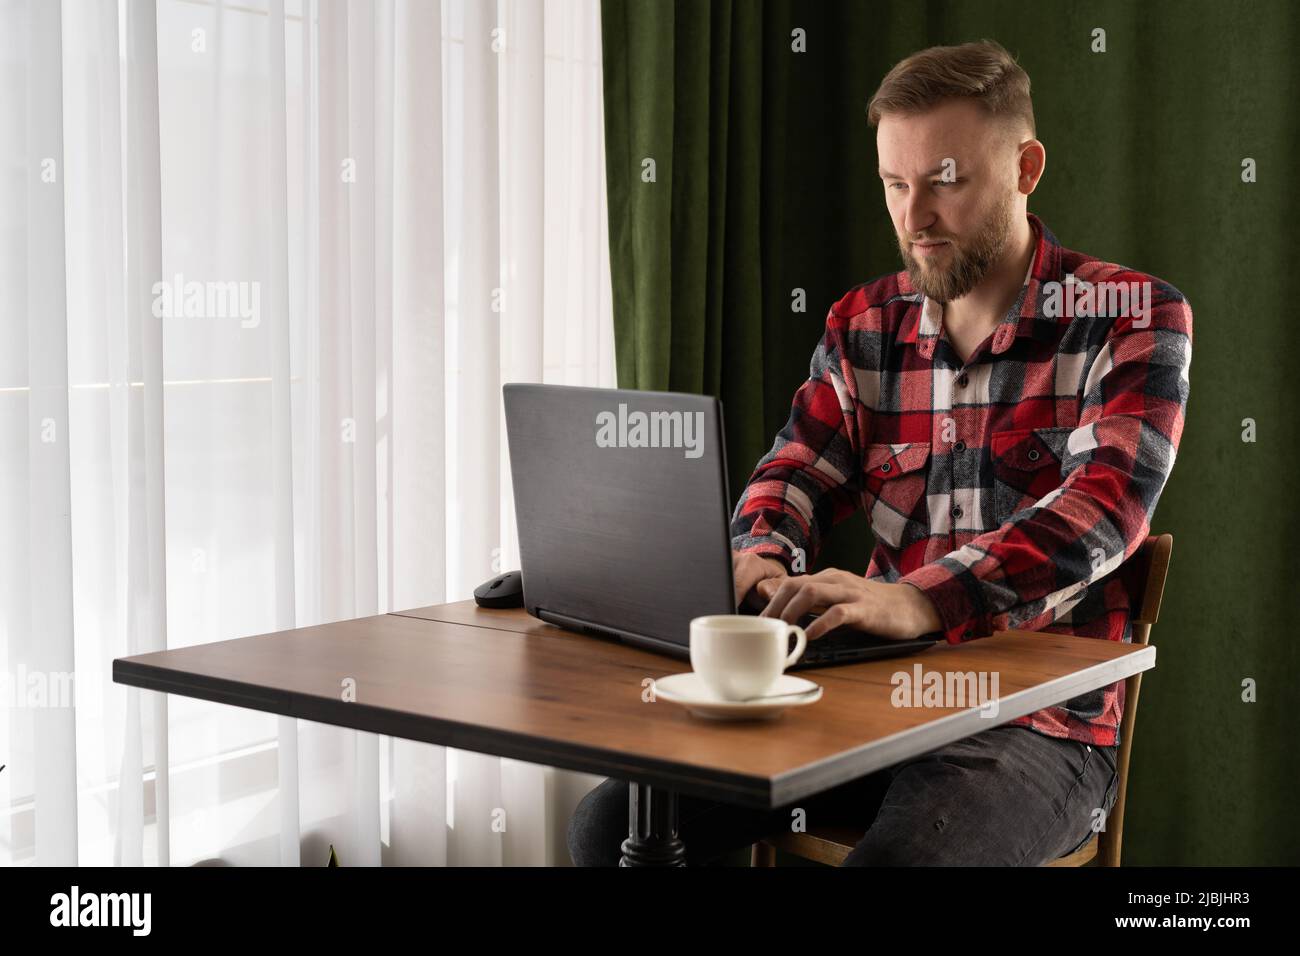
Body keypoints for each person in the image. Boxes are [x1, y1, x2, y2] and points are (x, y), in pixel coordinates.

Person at [568, 38, 1191, 866]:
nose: (913, 217)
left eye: (944, 181)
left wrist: (928, 600)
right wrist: (756, 552)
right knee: (615, 824)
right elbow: (795, 469)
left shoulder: (1133, 314)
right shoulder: (860, 325)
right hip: (868, 702)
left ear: (1025, 167)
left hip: (1041, 726)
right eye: (895, 185)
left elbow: (1105, 511)